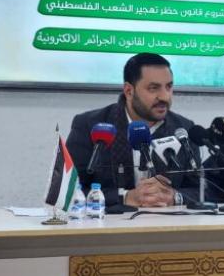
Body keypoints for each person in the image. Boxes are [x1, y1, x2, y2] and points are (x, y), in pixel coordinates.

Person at [66, 53, 199, 209]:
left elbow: (203, 188)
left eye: (169, 87)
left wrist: (175, 197)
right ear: (129, 91)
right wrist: (125, 197)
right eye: (153, 88)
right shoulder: (90, 126)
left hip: (170, 222)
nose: (165, 96)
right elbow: (68, 191)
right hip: (108, 222)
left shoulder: (183, 129)